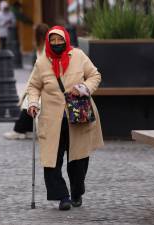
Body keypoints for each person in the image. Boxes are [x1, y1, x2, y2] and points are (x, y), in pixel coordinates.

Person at [27, 26, 104, 210]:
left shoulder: (78, 56)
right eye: (52, 40)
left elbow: (95, 75)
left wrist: (84, 87)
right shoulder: (42, 62)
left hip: (78, 115)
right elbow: (33, 86)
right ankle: (63, 196)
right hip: (52, 119)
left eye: (59, 40)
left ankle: (77, 192)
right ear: (48, 41)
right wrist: (33, 103)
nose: (56, 44)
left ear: (66, 39)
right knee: (51, 160)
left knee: (78, 160)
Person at [3, 23, 49, 140]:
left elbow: (37, 69)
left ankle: (19, 130)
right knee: (28, 104)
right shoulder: (42, 48)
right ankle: (26, 129)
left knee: (28, 104)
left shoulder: (43, 49)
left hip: (43, 83)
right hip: (40, 82)